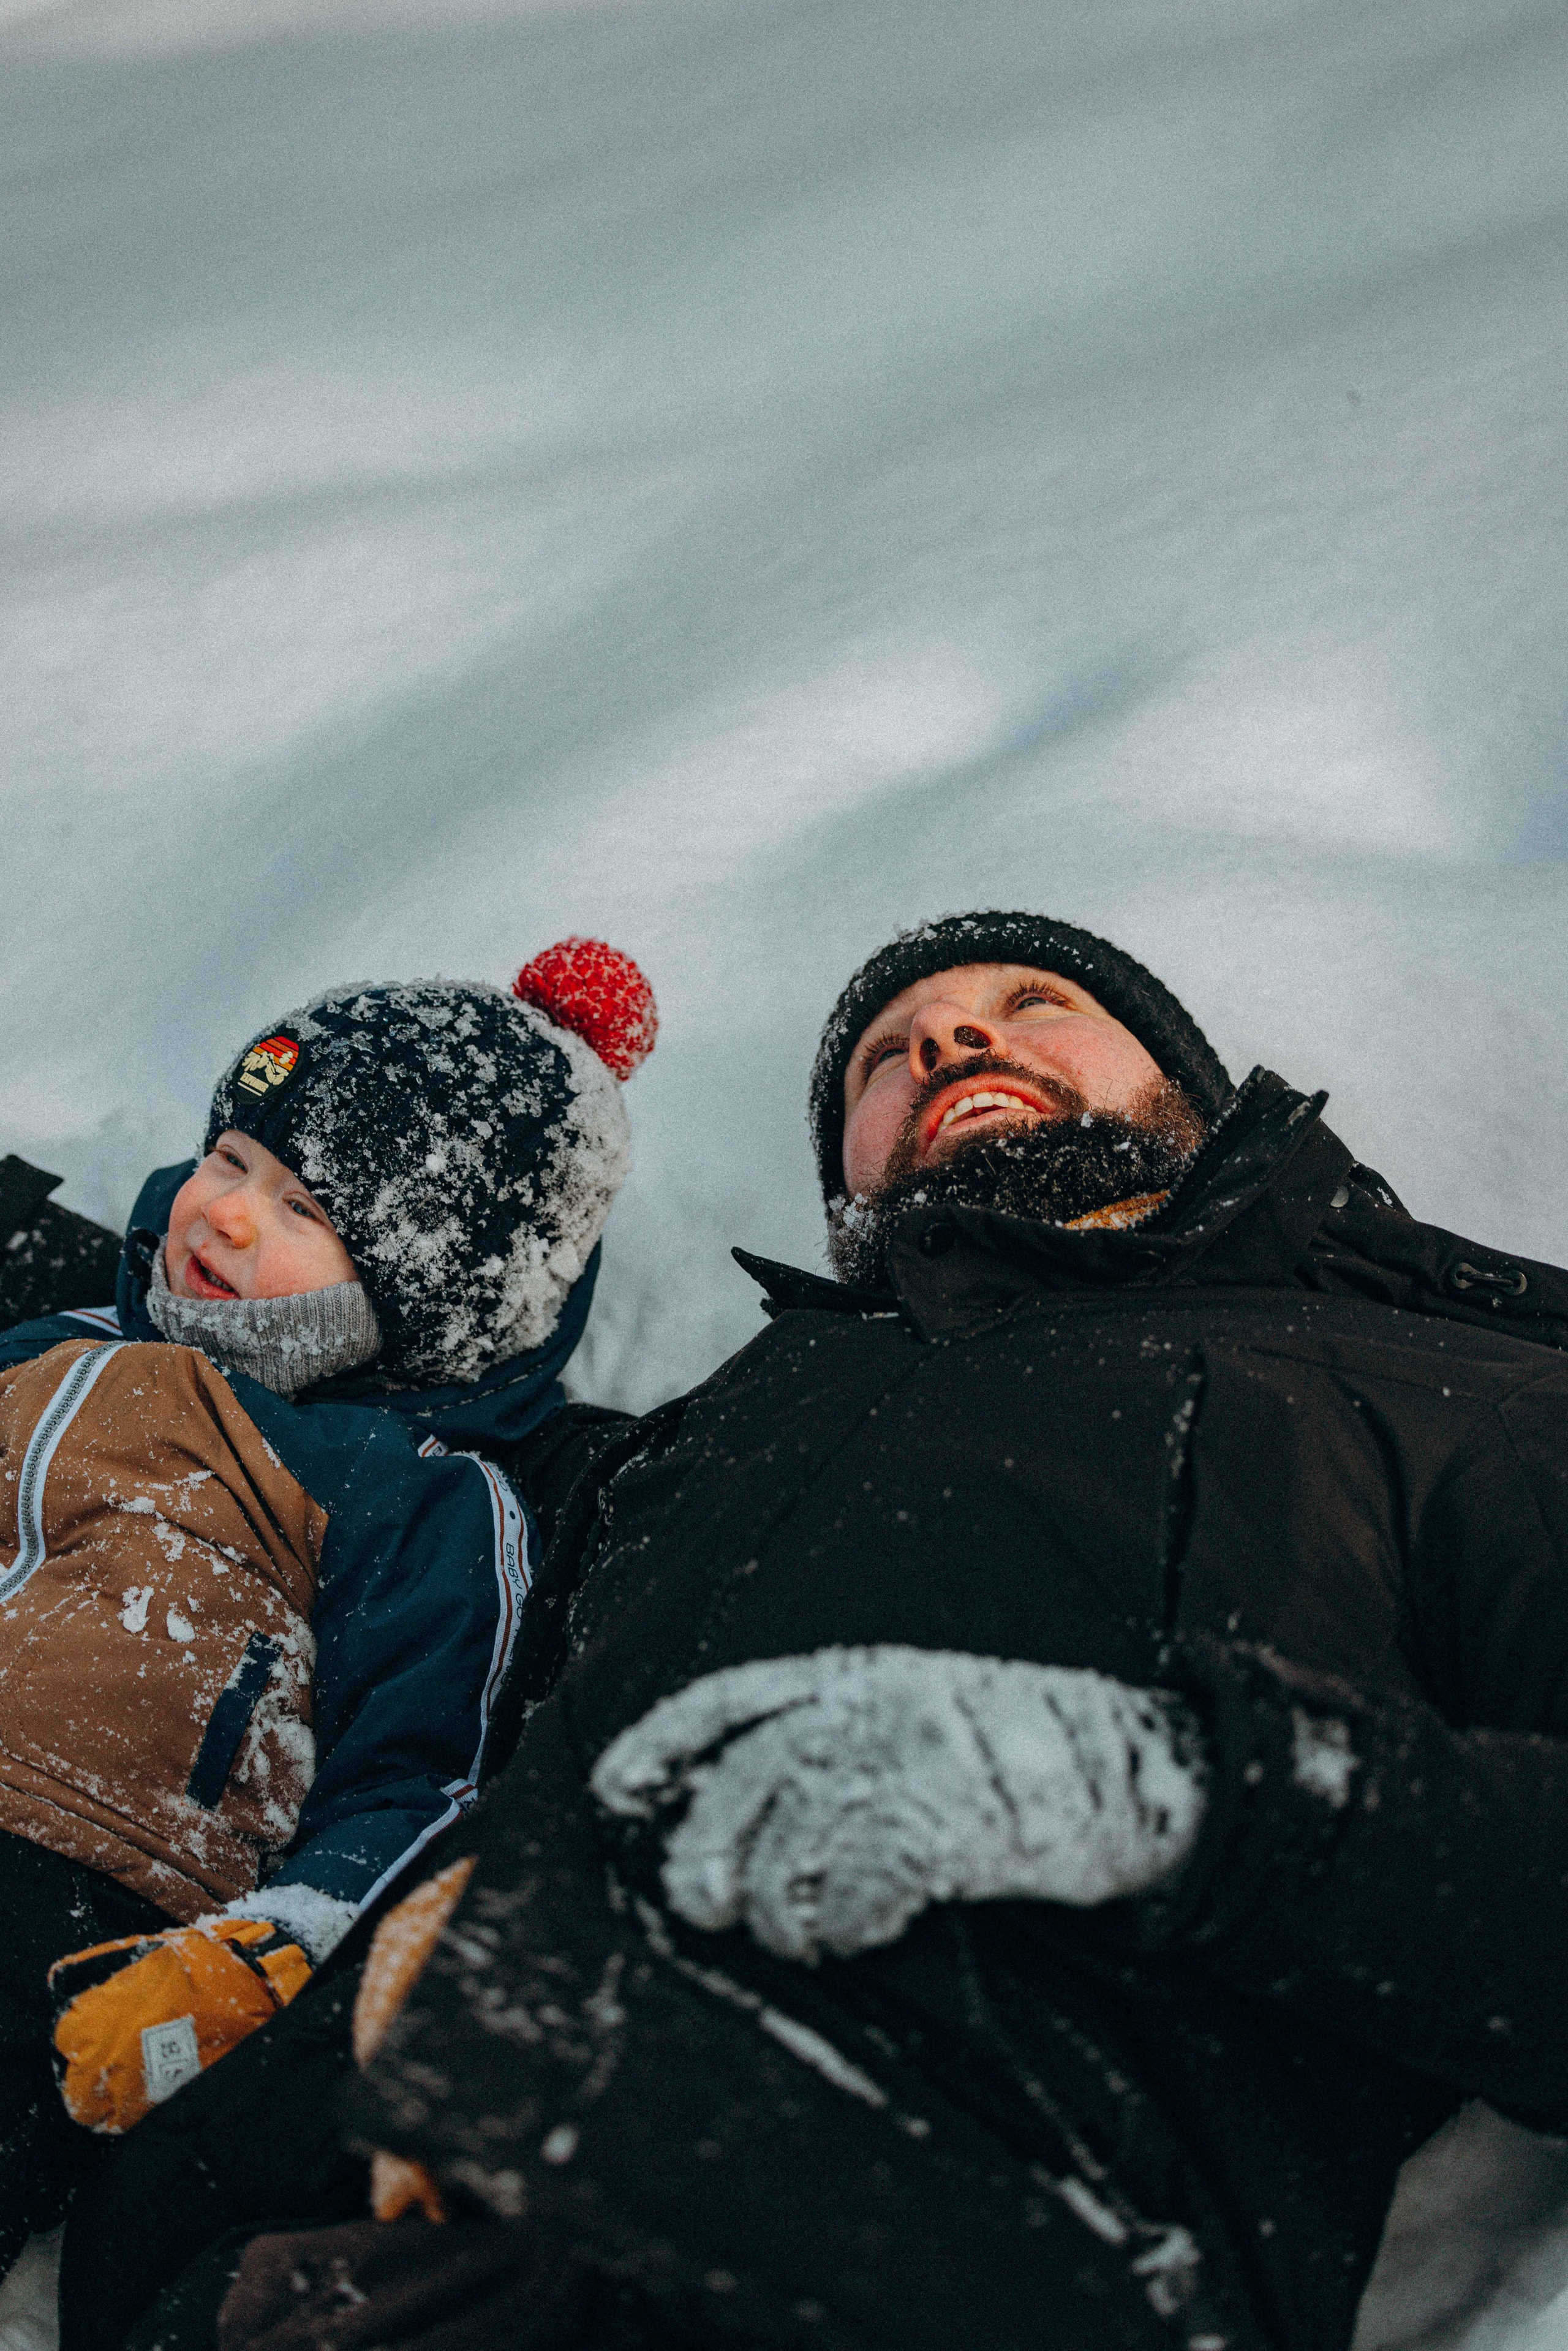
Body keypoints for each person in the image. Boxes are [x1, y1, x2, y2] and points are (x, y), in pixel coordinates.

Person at [56, 913, 1568, 2351]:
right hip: (315, 2254)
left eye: (1034, 1000)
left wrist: (1181, 1800)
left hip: (913, 2251)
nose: (952, 1032)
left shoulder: (1433, 1387)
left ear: (1192, 1086)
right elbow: (330, 1436)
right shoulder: (708, 1436)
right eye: (882, 1053)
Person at [0, 937, 654, 2282]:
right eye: (230, 1157)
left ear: (430, 1299)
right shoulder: (46, 1340)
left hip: (69, 1883)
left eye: (303, 1209)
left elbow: (422, 1777)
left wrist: (276, 1941)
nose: (223, 1210)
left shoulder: (413, 1494)